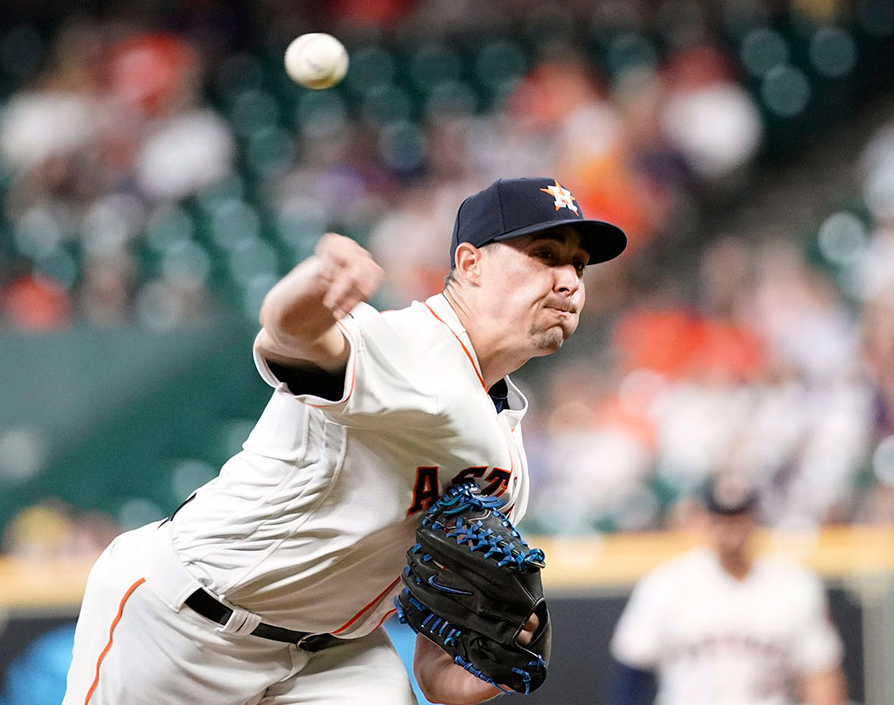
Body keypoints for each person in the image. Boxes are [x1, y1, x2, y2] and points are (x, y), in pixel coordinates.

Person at [61, 177, 628, 705]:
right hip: (183, 624)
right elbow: (291, 338)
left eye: (579, 265)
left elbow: (436, 672)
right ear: (470, 263)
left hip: (332, 657)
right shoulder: (412, 347)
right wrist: (315, 286)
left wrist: (480, 671)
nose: (570, 281)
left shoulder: (507, 451)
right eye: (546, 256)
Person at [608, 475, 847, 705]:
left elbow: (821, 672)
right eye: (723, 519)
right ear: (706, 521)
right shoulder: (665, 584)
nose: (732, 528)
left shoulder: (795, 585)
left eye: (740, 518)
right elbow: (633, 669)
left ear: (755, 519)